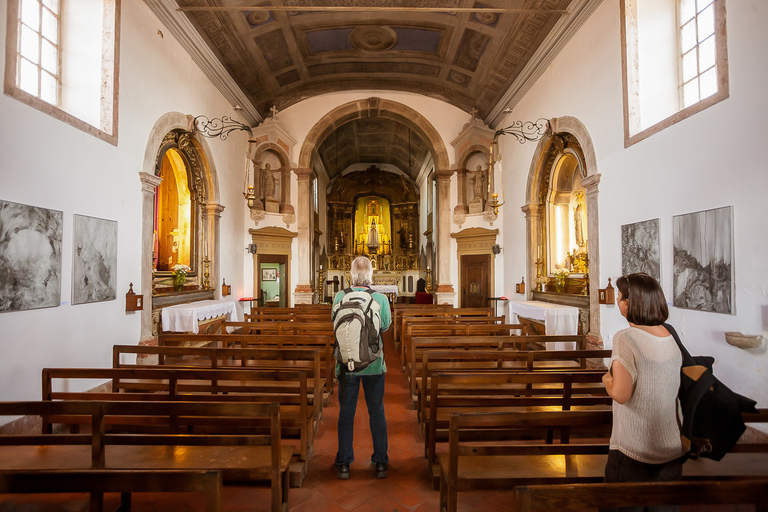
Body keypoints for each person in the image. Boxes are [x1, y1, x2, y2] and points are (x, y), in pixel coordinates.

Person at [601, 273, 684, 512]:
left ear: (629, 303)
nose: (617, 301)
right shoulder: (669, 334)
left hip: (634, 447)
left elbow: (621, 394)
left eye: (619, 297)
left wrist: (606, 379)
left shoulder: (626, 338)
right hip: (670, 445)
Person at [333, 256, 391, 480]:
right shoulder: (380, 298)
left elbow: (335, 324)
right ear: (370, 273)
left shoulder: (340, 296)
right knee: (377, 412)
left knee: (346, 413)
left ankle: (344, 463)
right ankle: (380, 463)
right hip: (374, 365)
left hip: (346, 365)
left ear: (352, 273)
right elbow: (385, 326)